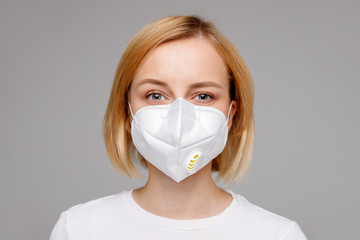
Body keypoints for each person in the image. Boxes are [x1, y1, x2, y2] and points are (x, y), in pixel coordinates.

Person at [50, 15, 307, 239]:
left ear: (230, 115)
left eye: (203, 96)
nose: (179, 117)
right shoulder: (79, 230)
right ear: (127, 112)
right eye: (156, 95)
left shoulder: (279, 235)